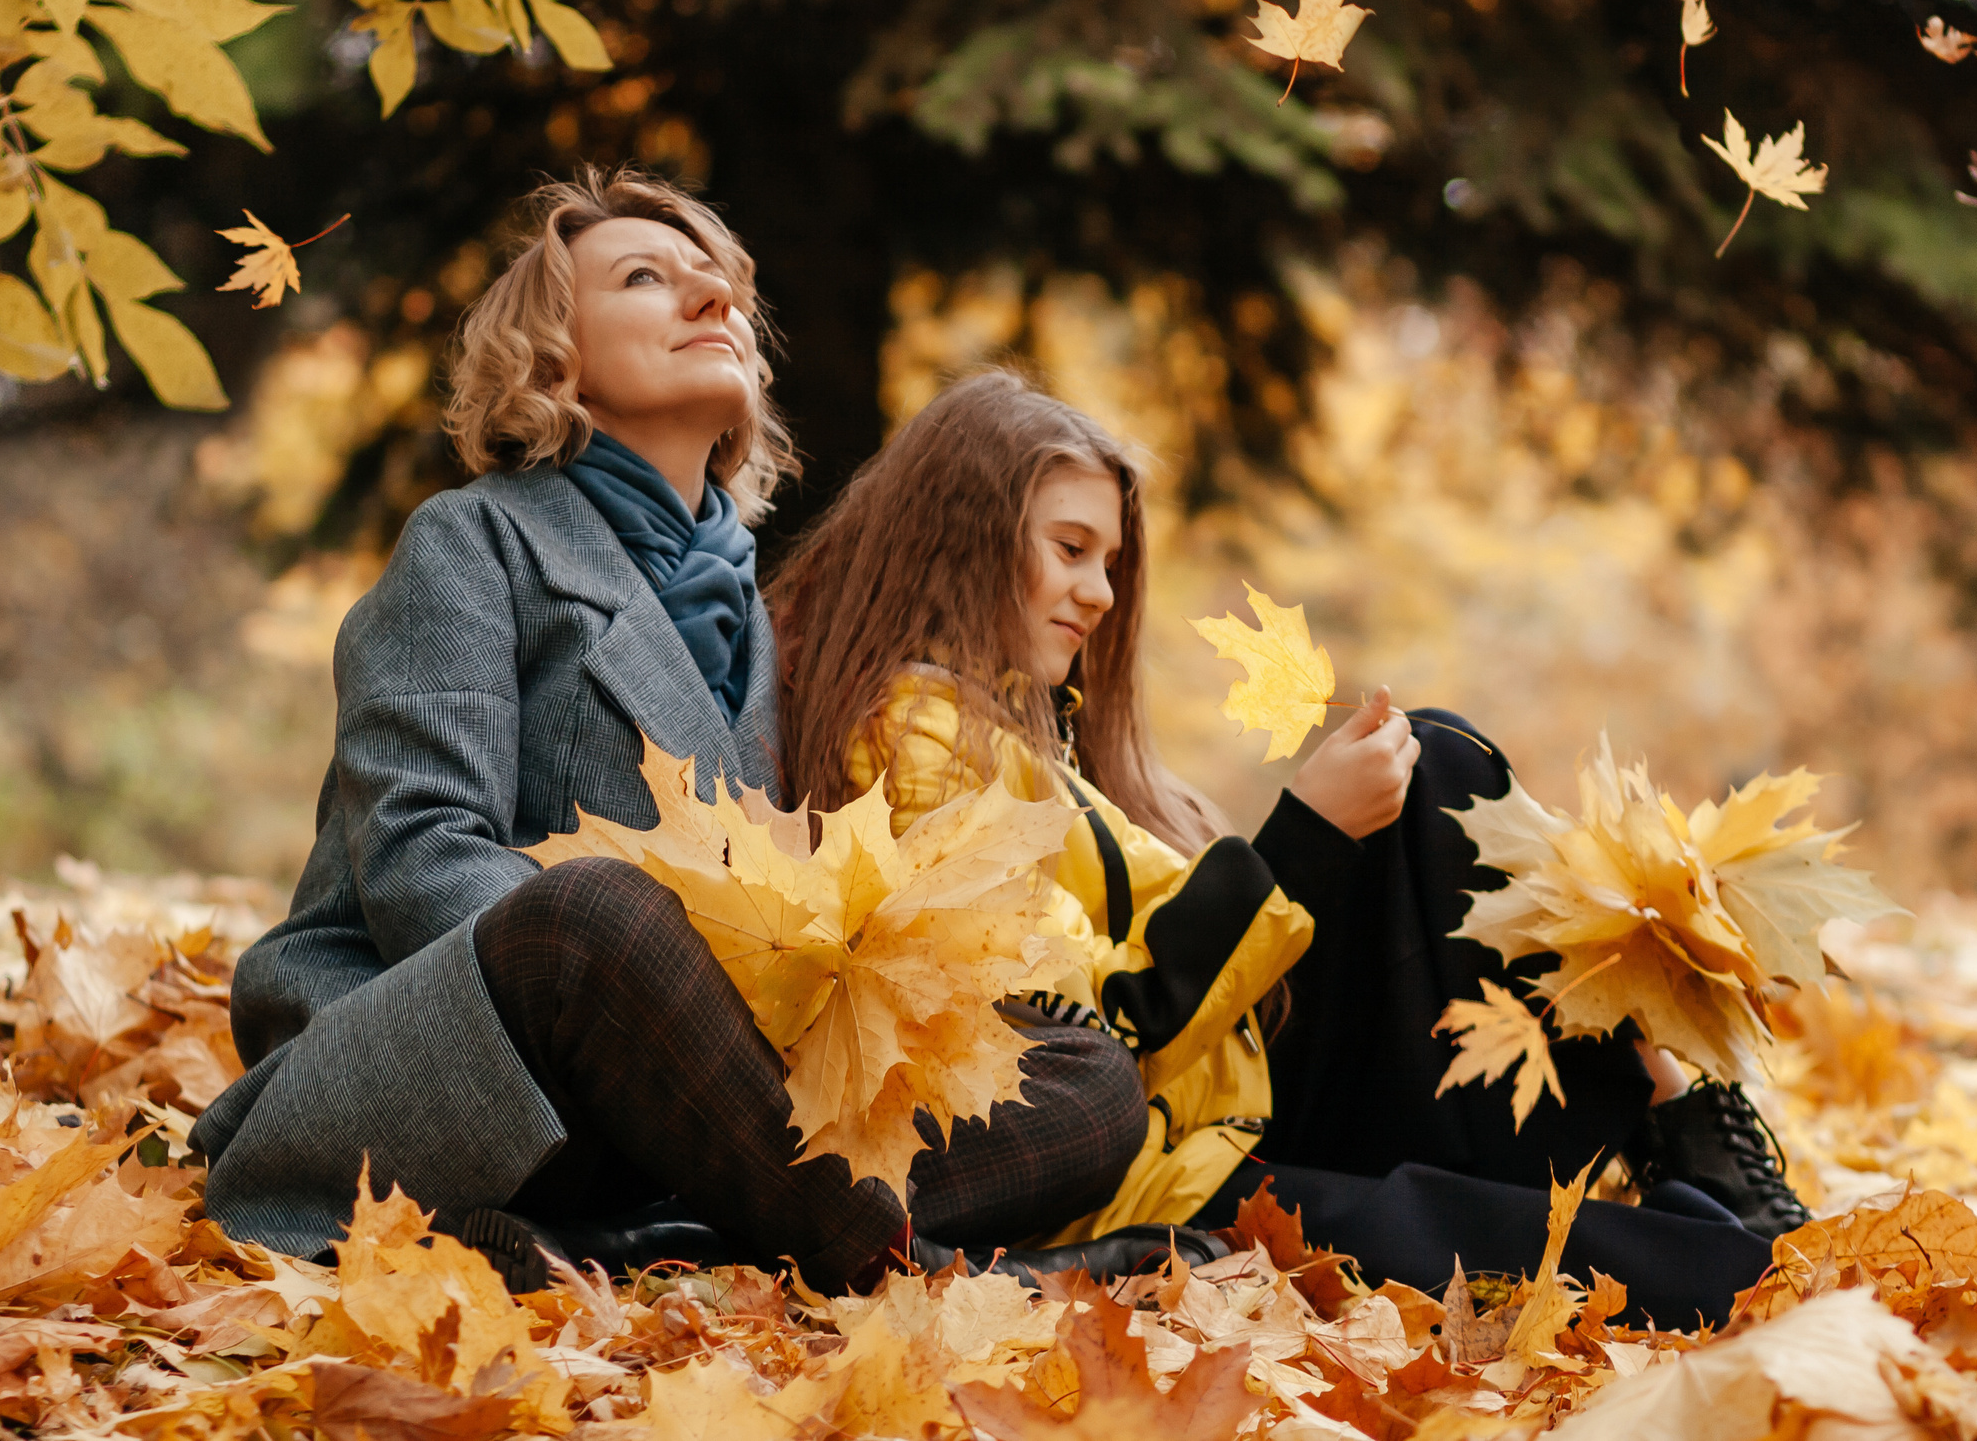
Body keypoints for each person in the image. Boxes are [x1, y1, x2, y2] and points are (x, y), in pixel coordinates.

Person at [195, 173, 1214, 1295]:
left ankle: (675, 1245)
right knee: (596, 909)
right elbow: (418, 859)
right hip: (447, 1070)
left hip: (670, 1121)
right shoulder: (472, 543)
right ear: (551, 355)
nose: (709, 302)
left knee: (1077, 1075)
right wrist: (711, 991)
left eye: (721, 289)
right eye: (646, 279)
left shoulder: (756, 621)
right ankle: (914, 1267)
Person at [767, 371, 1804, 1328]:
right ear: (965, 539)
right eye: (1070, 550)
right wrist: (1299, 843)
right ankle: (1720, 1202)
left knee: (1436, 766)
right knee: (1597, 1258)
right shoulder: (915, 740)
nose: (1100, 595)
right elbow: (1099, 1029)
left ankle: (1688, 1115)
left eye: (1111, 563)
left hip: (1231, 1115)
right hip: (1164, 1168)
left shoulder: (1027, 736)